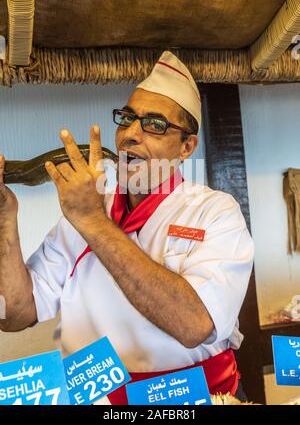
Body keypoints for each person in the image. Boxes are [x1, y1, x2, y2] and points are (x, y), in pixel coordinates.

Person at [0, 51, 254, 404]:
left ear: (186, 147)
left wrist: (93, 222)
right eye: (128, 119)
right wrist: (5, 219)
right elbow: (15, 314)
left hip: (194, 401)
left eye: (155, 124)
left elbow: (194, 325)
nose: (131, 134)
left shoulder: (214, 212)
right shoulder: (90, 206)